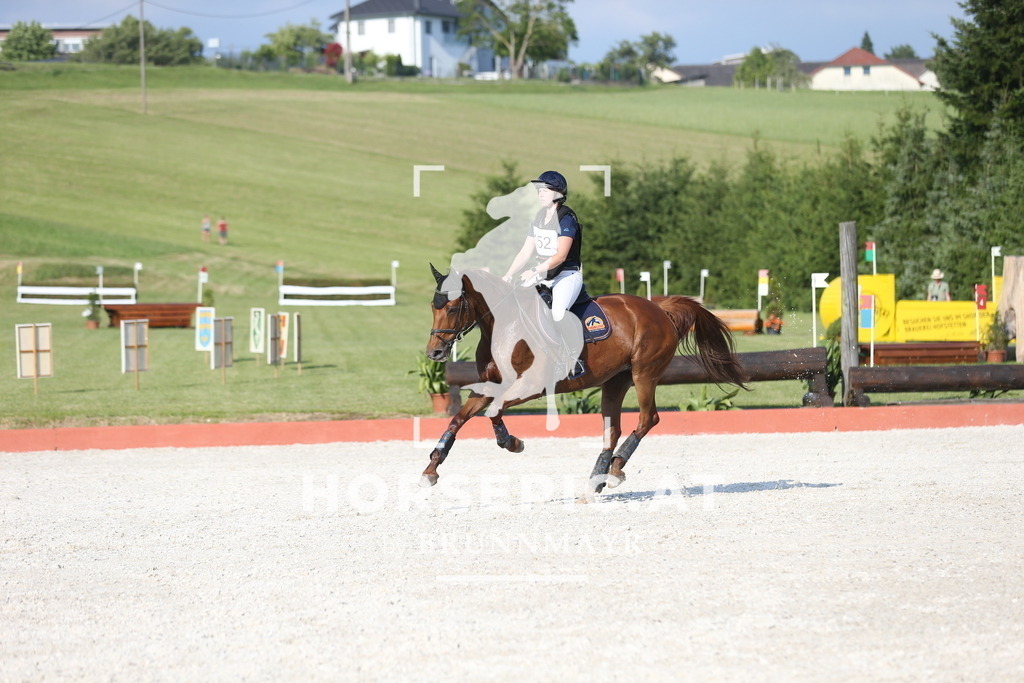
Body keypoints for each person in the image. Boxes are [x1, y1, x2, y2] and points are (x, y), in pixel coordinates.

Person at [503, 170, 586, 378]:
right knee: (517, 303)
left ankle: (573, 358)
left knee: (557, 313)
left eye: (544, 189)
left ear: (557, 193)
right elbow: (525, 252)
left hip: (566, 275)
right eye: (538, 190)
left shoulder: (567, 219)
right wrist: (508, 274)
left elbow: (560, 256)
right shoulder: (538, 218)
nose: (539, 193)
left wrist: (533, 270)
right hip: (544, 276)